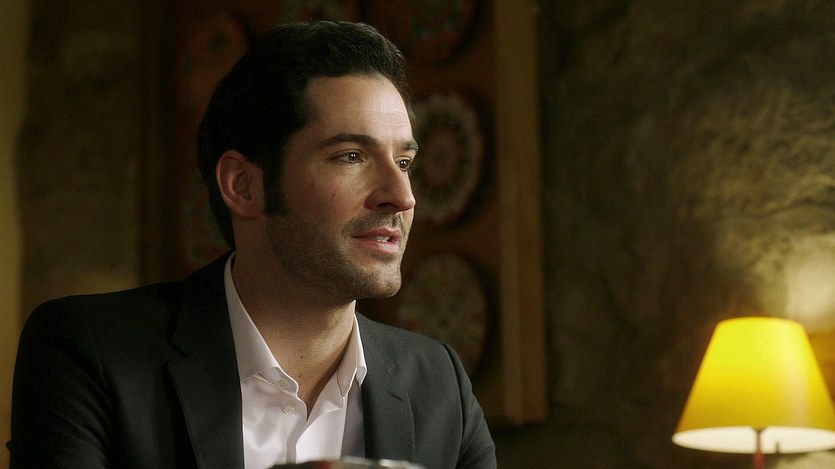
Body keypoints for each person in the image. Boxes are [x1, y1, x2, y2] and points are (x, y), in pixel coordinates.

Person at [7, 21, 496, 469]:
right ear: (243, 186)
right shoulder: (89, 353)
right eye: (351, 156)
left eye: (404, 162)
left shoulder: (439, 384)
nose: (402, 197)